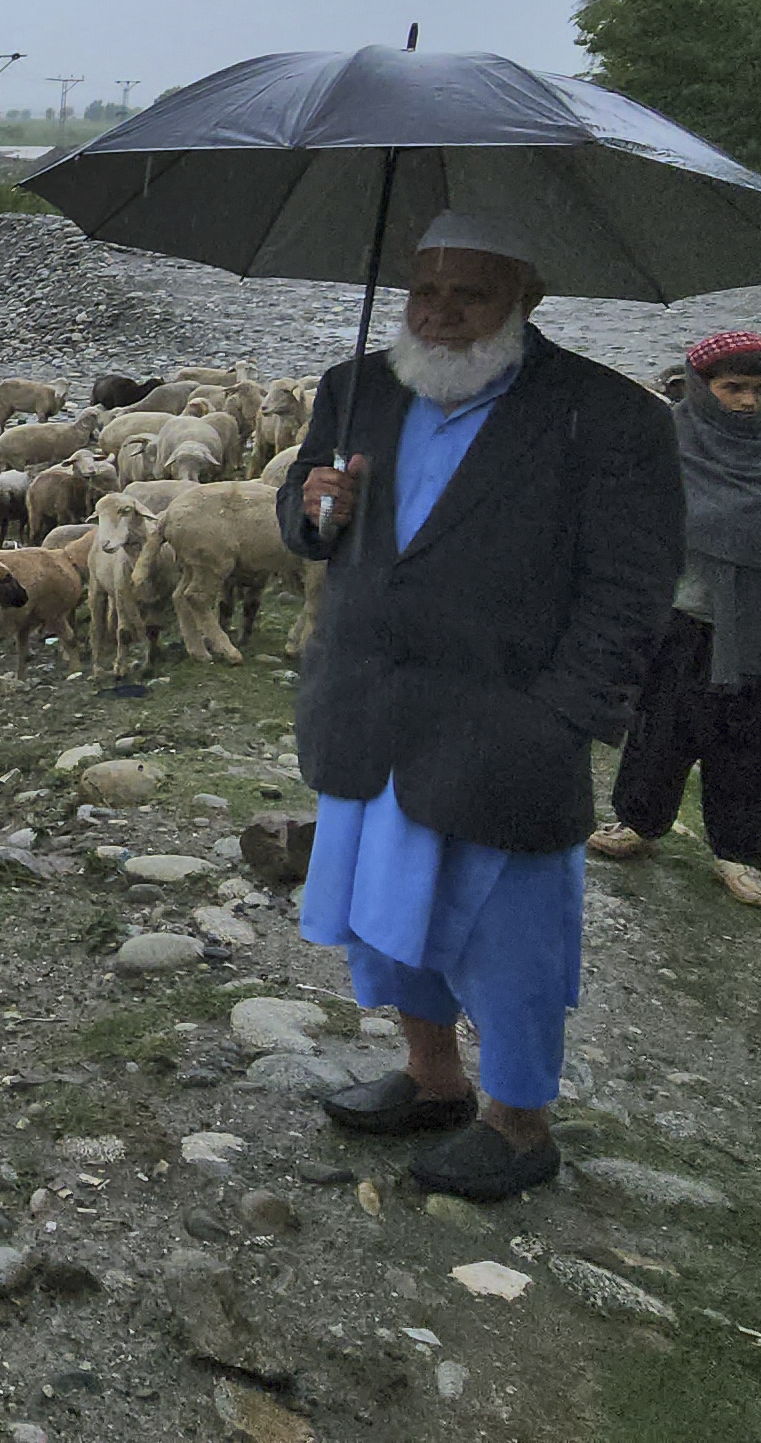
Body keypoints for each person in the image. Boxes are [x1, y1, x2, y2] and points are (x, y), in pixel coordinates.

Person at [275, 212, 681, 1201]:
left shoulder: (607, 415)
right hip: (372, 705)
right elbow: (304, 517)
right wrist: (315, 510)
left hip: (507, 721)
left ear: (526, 298)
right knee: (383, 910)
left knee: (511, 935)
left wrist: (564, 714)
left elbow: (634, 584)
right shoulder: (356, 387)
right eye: (425, 291)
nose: (440, 314)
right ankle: (432, 1075)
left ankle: (519, 1119)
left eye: (471, 294)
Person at [590, 330, 761, 906]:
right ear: (699, 386)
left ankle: (739, 855)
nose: (748, 401)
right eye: (733, 387)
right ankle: (638, 822)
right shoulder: (664, 443)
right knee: (659, 728)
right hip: (680, 618)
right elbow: (625, 523)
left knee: (752, 739)